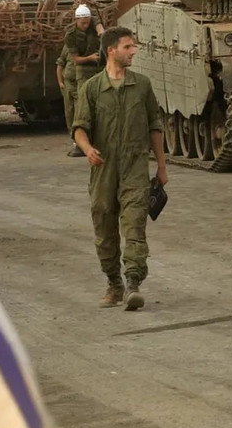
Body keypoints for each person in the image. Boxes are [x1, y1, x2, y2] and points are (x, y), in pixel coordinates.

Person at [72, 26, 168, 311]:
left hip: (135, 167)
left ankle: (133, 283)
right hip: (103, 169)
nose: (133, 51)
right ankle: (114, 283)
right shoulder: (92, 88)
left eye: (133, 46)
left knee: (135, 225)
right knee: (104, 229)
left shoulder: (142, 85)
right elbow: (79, 127)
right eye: (128, 47)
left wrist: (162, 166)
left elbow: (154, 126)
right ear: (111, 50)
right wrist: (88, 149)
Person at [59, 4, 105, 157]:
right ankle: (80, 142)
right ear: (77, 20)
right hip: (83, 70)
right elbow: (76, 59)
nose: (86, 25)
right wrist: (90, 58)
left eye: (87, 22)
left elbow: (96, 21)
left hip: (100, 68)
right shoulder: (70, 35)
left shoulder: (93, 23)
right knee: (82, 105)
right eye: (83, 22)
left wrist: (100, 29)